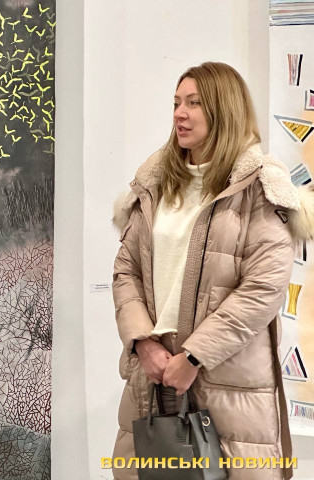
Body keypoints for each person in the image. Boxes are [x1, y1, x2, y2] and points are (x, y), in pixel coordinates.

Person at [111, 62, 314, 480]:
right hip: (155, 376)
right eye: (176, 103)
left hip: (226, 380)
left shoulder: (260, 189)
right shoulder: (155, 185)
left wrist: (193, 356)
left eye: (194, 103)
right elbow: (126, 270)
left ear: (224, 109)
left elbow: (263, 289)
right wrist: (143, 343)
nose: (179, 114)